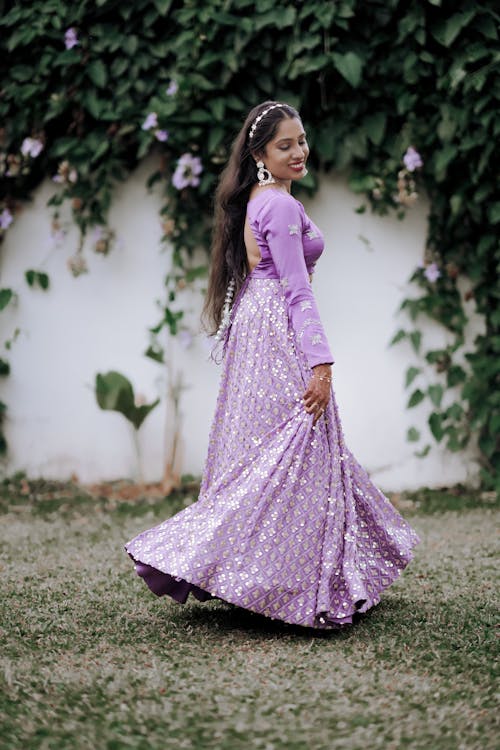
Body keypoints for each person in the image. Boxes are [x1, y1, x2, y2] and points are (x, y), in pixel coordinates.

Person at [125, 101, 421, 630]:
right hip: (276, 328)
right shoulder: (279, 206)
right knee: (294, 449)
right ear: (261, 153)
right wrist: (321, 364)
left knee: (271, 454)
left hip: (256, 327)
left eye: (302, 141)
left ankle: (257, 577)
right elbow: (297, 290)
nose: (299, 151)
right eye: (285, 145)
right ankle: (272, 581)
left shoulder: (263, 199)